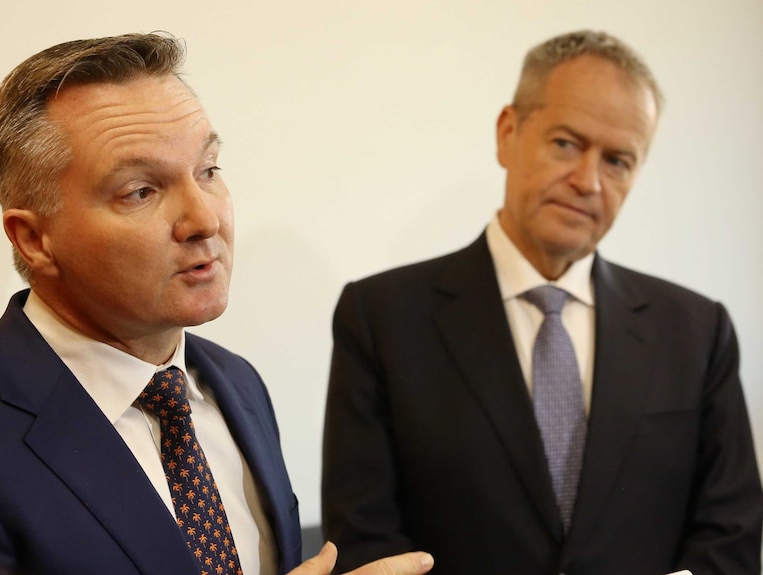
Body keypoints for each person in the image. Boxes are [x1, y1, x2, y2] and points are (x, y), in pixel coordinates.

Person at [0, 32, 434, 575]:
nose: (205, 220)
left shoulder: (235, 384)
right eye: (141, 191)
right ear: (35, 240)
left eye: (208, 170)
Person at [321, 30, 763, 575]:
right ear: (508, 134)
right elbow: (365, 542)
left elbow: (732, 535)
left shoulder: (697, 331)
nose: (588, 181)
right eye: (566, 144)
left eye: (618, 161)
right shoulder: (382, 319)